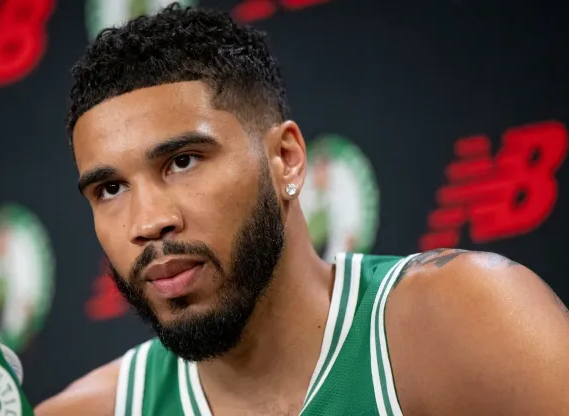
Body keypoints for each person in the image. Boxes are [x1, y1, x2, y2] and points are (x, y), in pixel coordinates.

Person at [36, 4, 569, 415]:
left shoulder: (463, 322)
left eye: (183, 160)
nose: (148, 221)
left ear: (285, 159)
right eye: (110, 189)